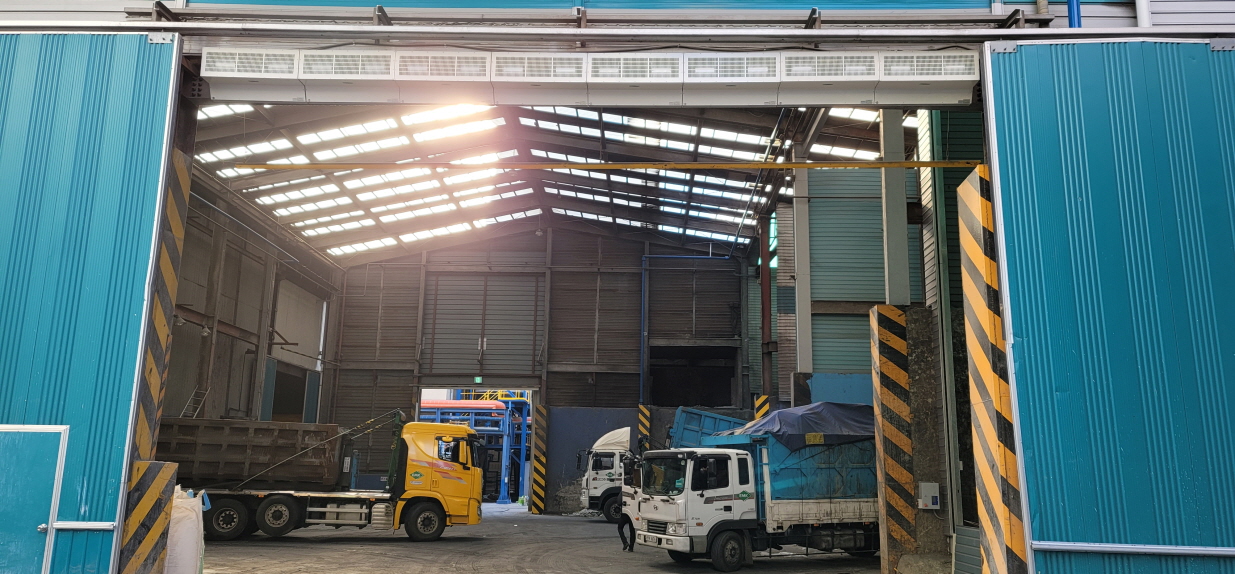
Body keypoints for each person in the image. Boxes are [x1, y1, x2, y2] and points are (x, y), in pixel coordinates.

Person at [617, 452, 640, 552]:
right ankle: (631, 547)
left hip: (625, 511)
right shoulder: (636, 483)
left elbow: (619, 501)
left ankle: (625, 542)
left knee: (620, 528)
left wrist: (619, 506)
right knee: (632, 530)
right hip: (633, 511)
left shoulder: (625, 487)